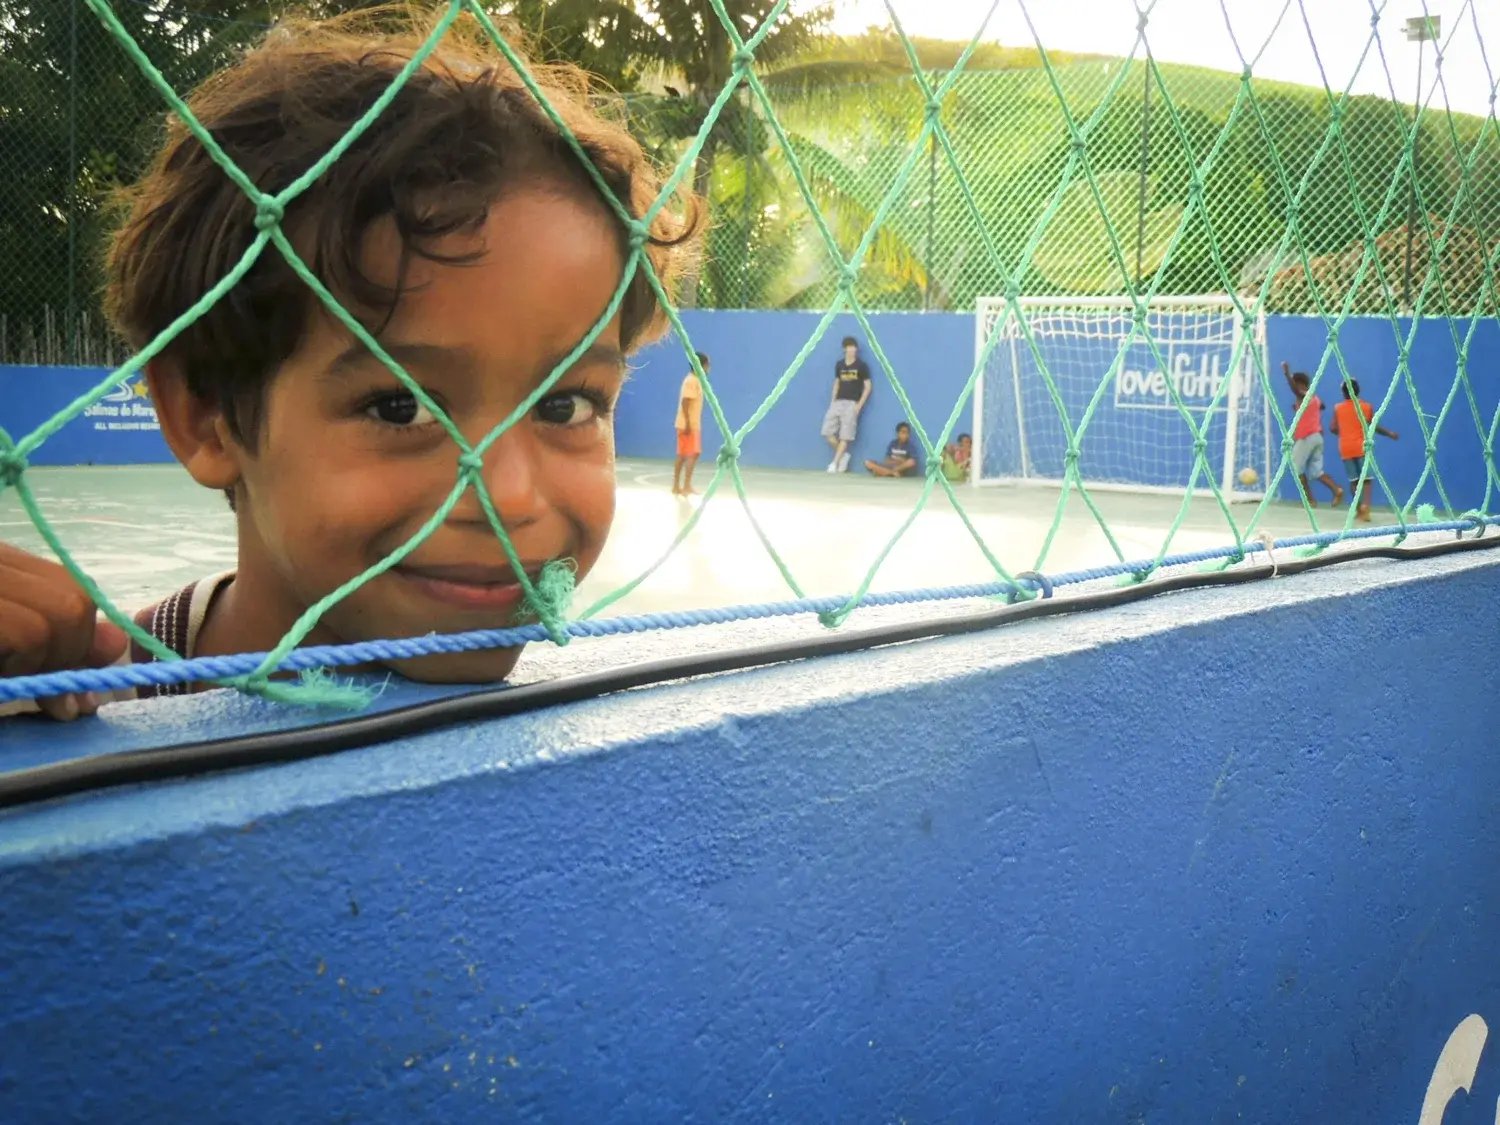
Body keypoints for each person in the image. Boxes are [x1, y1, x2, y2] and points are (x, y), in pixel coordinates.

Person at [0, 8, 701, 720]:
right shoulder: (86, 700)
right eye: (401, 407)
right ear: (205, 416)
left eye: (567, 405)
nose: (510, 497)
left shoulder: (612, 718)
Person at [1330, 378, 1399, 522]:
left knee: (1354, 481)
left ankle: (1358, 508)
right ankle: (1366, 508)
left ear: (1343, 393)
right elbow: (1374, 425)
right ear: (1358, 391)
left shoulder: (1338, 408)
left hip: (1345, 448)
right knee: (1366, 480)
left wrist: (1345, 433)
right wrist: (1390, 433)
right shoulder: (1366, 407)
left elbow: (1332, 428)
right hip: (1361, 447)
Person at [1280, 361, 1343, 508]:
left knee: (1296, 468)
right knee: (1315, 472)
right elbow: (1322, 406)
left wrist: (1286, 373)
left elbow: (1296, 391)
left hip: (1306, 437)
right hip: (1317, 437)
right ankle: (1337, 489)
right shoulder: (1315, 398)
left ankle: (1310, 500)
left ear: (1300, 384)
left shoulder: (1302, 394)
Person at [821, 336, 871, 472]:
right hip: (837, 402)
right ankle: (843, 456)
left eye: (854, 347)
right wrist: (833, 400)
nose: (852, 350)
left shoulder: (861, 366)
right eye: (849, 347)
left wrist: (859, 405)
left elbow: (867, 386)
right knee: (827, 433)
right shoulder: (839, 365)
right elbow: (837, 382)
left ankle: (834, 464)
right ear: (844, 349)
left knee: (845, 435)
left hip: (851, 404)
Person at [672, 352, 708, 496]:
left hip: (693, 424)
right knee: (688, 454)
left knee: (690, 454)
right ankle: (681, 485)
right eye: (707, 365)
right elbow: (685, 401)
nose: (708, 368)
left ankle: (683, 485)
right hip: (687, 425)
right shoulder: (691, 381)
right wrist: (687, 423)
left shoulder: (696, 381)